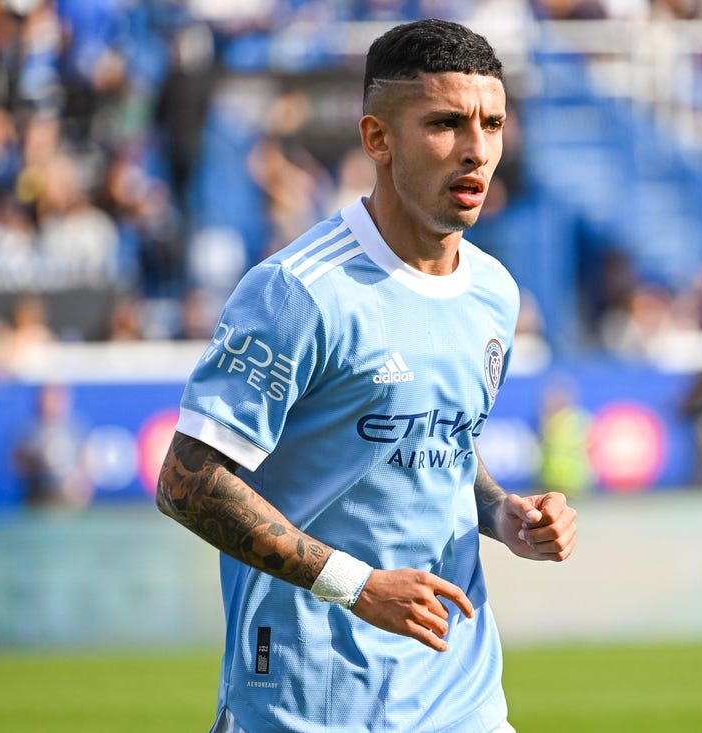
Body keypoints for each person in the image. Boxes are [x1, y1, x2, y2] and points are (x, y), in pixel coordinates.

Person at [156, 18, 578, 733]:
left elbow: (438, 439)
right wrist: (356, 585)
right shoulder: (297, 292)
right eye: (445, 123)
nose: (477, 150)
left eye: (493, 123)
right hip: (305, 699)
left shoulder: (496, 293)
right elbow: (185, 481)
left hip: (460, 694)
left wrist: (504, 514)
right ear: (378, 138)